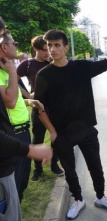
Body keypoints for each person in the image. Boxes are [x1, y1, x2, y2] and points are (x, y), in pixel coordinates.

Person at [34, 29, 107, 220]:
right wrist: (53, 132)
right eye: (49, 45)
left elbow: (105, 63)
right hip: (62, 133)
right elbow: (39, 108)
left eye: (57, 45)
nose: (53, 49)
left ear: (65, 47)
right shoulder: (44, 75)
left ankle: (101, 197)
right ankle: (78, 199)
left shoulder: (80, 68)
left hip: (86, 129)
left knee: (95, 166)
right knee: (70, 171)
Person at [0, 29, 44, 203]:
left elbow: (13, 100)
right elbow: (10, 101)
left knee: (22, 181)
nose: (17, 47)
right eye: (14, 44)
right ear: (4, 47)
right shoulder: (7, 71)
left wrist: (28, 102)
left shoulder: (5, 70)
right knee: (12, 188)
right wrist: (12, 71)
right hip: (11, 135)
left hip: (23, 131)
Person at [17, 35, 64, 181]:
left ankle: (54, 164)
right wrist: (26, 94)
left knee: (56, 137)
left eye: (49, 48)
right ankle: (37, 169)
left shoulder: (54, 62)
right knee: (37, 138)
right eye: (44, 49)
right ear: (35, 49)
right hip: (38, 107)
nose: (48, 52)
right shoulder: (27, 64)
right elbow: (13, 80)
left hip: (55, 107)